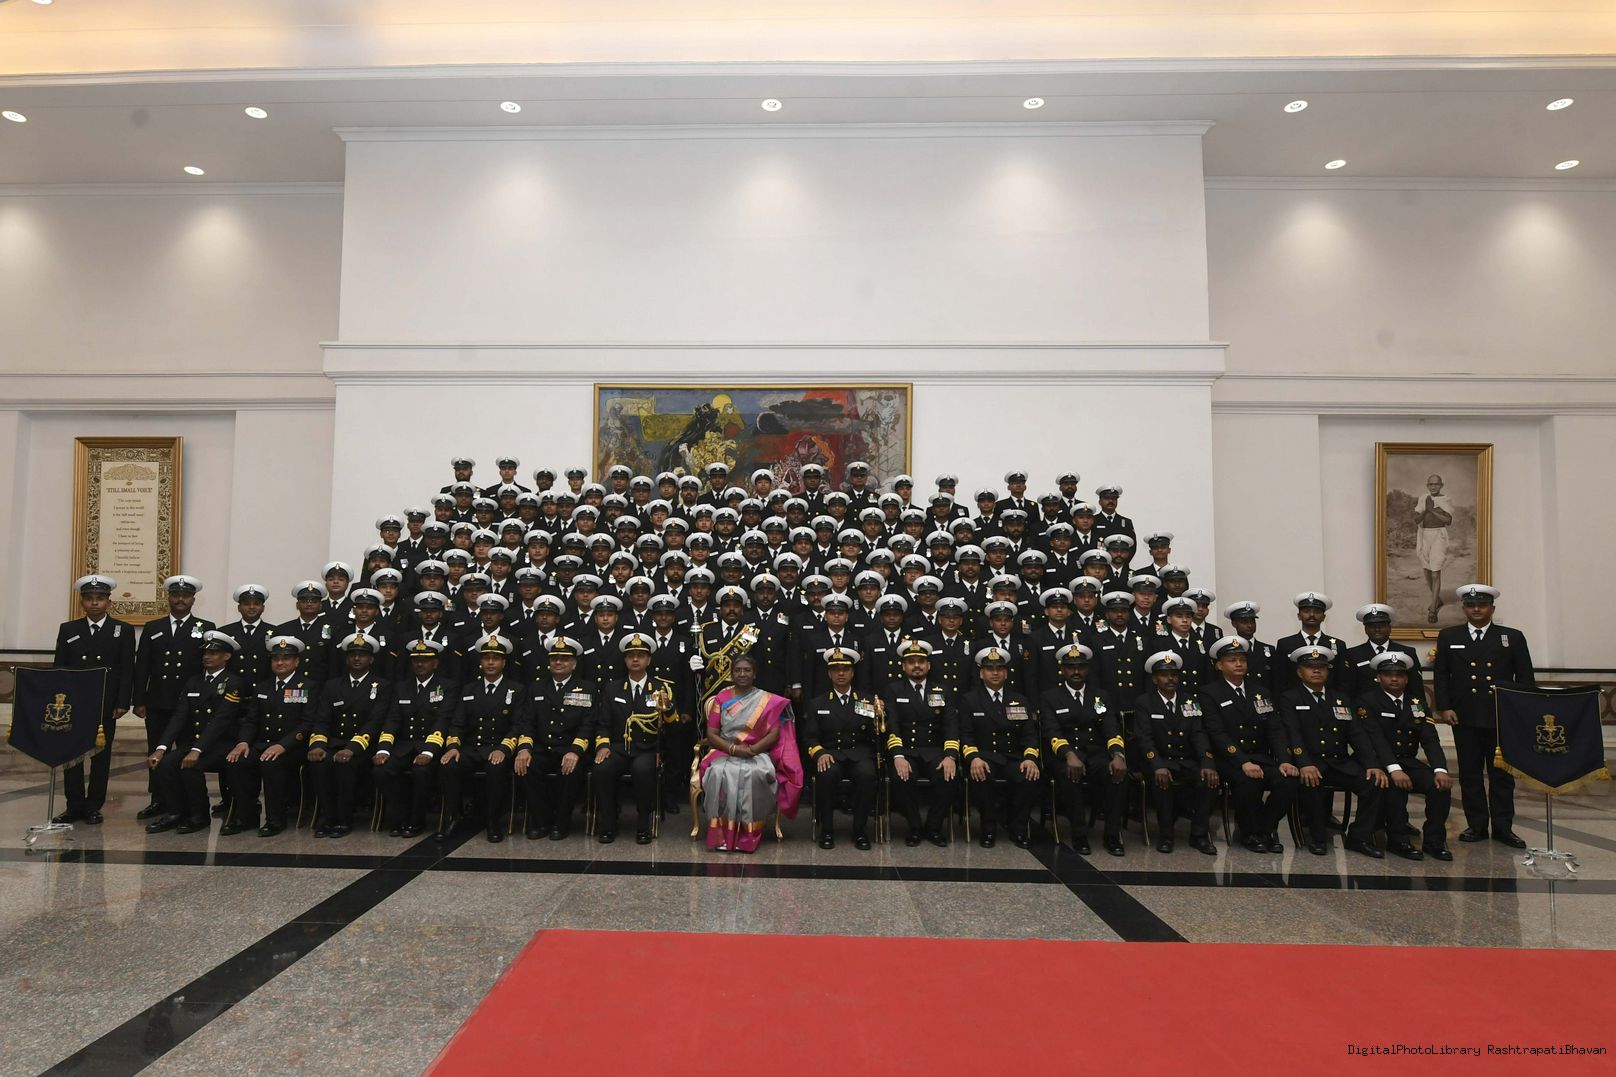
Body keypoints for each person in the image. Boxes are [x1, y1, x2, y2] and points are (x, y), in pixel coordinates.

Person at [1432, 583, 1534, 848]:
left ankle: (1503, 828)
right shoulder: (1449, 636)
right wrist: (1444, 706)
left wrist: (1518, 711)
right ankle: (1476, 825)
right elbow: (1441, 674)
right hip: (1464, 716)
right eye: (1471, 605)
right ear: (1464, 608)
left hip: (1500, 717)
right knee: (1470, 774)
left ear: (1492, 608)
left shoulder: (1511, 637)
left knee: (1502, 776)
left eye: (1482, 605)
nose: (1476, 609)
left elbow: (1525, 678)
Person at [1281, 645, 1387, 858]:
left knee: (1374, 782)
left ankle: (1359, 837)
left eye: (1321, 667)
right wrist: (1303, 763)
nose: (1316, 670)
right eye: (1310, 667)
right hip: (1311, 762)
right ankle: (1317, 838)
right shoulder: (1290, 698)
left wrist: (1372, 764)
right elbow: (1292, 734)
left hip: (1339, 763)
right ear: (1299, 672)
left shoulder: (1341, 699)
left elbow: (1357, 734)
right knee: (1311, 784)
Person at [52, 575, 136, 825]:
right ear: (82, 602)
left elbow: (127, 670)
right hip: (75, 703)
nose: (95, 603)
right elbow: (60, 668)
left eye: (100, 598)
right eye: (89, 598)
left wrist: (123, 702)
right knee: (72, 757)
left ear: (109, 602)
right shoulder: (69, 629)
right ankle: (74, 805)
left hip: (105, 704)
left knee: (101, 757)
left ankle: (93, 806)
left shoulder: (122, 630)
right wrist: (60, 702)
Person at [698, 654, 804, 852]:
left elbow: (774, 733)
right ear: (731, 674)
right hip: (725, 750)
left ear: (754, 674)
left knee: (755, 774)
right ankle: (721, 836)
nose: (742, 674)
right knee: (718, 773)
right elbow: (711, 734)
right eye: (738, 670)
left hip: (757, 752)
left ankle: (747, 836)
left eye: (747, 670)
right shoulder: (722, 698)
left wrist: (752, 750)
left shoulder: (767, 700)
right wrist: (733, 749)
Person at [1199, 637, 1296, 853]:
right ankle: (1250, 833)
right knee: (1247, 782)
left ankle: (1266, 828)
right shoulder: (1209, 693)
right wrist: (1243, 762)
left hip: (1260, 757)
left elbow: (1275, 729)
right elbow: (1217, 733)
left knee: (1288, 781)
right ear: (1219, 665)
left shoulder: (1260, 692)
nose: (1239, 664)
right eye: (1232, 660)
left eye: (1242, 660)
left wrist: (1284, 760)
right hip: (1229, 760)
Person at [145, 631, 246, 835]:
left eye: (214, 653)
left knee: (191, 766)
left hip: (222, 743)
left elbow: (220, 721)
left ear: (226, 656)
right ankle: (176, 812)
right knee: (166, 763)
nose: (207, 657)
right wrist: (161, 748)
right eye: (205, 653)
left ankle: (199, 815)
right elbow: (179, 716)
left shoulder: (234, 683)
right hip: (196, 742)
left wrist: (197, 750)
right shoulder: (193, 681)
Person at [131, 575, 214, 819]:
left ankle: (186, 799)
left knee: (187, 752)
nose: (180, 599)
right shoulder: (153, 627)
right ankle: (158, 800)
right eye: (176, 595)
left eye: (185, 596)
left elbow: (209, 667)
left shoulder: (205, 627)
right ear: (168, 598)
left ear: (193, 599)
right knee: (156, 750)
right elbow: (142, 666)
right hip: (158, 701)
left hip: (191, 704)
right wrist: (139, 700)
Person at [1359, 651, 1453, 861]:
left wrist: (1440, 769)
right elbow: (1376, 739)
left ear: (1407, 678)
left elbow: (1430, 739)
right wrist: (1394, 769)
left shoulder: (1417, 703)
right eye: (1388, 674)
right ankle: (1398, 840)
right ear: (1379, 677)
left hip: (1408, 761)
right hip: (1380, 763)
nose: (1394, 679)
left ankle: (1434, 841)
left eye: (1399, 675)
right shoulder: (1367, 701)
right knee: (1394, 786)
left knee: (1440, 786)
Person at [1038, 643, 1126, 856]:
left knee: (1117, 774)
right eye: (1071, 667)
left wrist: (1118, 755)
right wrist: (1069, 754)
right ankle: (1079, 835)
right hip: (1063, 755)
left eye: (1080, 667)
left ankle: (1112, 836)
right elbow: (1051, 731)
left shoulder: (1100, 697)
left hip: (1095, 754)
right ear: (1062, 670)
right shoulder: (1050, 697)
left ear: (1087, 669)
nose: (1076, 671)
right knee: (1071, 775)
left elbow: (1111, 728)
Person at [228, 634, 315, 837]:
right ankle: (245, 817)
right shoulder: (262, 686)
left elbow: (307, 724)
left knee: (271, 763)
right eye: (276, 658)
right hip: (262, 744)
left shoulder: (307, 686)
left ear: (296, 662)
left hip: (292, 748)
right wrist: (243, 742)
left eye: (286, 658)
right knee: (237, 761)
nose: (280, 663)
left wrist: (283, 745)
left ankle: (275, 819)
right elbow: (251, 720)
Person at [1132, 651, 1218, 855]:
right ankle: (1166, 835)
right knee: (1162, 782)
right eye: (1164, 675)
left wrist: (1207, 762)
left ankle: (1199, 835)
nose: (1170, 679)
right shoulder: (1145, 702)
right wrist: (1157, 765)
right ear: (1155, 679)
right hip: (1158, 761)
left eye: (1173, 674)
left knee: (1208, 780)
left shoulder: (1189, 701)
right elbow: (1144, 738)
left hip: (1185, 761)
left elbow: (1198, 734)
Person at [878, 639, 961, 847]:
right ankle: (915, 827)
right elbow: (893, 725)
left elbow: (951, 726)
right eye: (911, 662)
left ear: (929, 665)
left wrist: (950, 756)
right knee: (900, 777)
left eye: (921, 661)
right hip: (906, 750)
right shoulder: (893, 690)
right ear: (903, 666)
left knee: (949, 776)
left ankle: (933, 827)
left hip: (935, 751)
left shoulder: (942, 690)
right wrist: (898, 756)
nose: (917, 665)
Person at [592, 633, 673, 844]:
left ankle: (643, 824)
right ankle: (609, 823)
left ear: (649, 660)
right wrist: (603, 746)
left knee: (642, 770)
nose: (635, 659)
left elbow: (670, 726)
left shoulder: (659, 688)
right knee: (602, 769)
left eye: (640, 655)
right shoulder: (613, 688)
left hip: (647, 748)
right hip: (618, 748)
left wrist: (668, 708)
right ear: (625, 660)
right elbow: (603, 723)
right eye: (630, 656)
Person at [514, 636, 597, 841]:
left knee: (570, 771)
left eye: (564, 659)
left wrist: (575, 751)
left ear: (574, 664)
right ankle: (541, 820)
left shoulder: (586, 688)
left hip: (570, 748)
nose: (558, 662)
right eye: (554, 659)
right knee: (525, 767)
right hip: (543, 748)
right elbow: (527, 722)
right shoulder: (536, 688)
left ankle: (561, 821)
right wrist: (524, 749)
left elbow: (588, 725)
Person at [959, 643, 1041, 849]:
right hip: (984, 757)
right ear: (981, 674)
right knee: (981, 776)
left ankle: (1018, 828)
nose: (995, 673)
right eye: (989, 669)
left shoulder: (1019, 700)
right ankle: (988, 827)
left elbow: (1029, 735)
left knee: (1029, 776)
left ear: (1006, 673)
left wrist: (1030, 758)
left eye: (999, 669)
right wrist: (973, 758)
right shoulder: (969, 700)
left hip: (1013, 757)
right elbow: (966, 735)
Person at [802, 646, 880, 850]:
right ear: (829, 674)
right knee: (826, 774)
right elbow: (809, 737)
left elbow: (875, 735)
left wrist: (881, 718)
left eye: (845, 669)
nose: (841, 673)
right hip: (831, 754)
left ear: (853, 673)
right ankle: (827, 830)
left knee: (867, 774)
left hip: (859, 753)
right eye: (836, 669)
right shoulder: (817, 703)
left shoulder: (867, 701)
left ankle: (860, 829)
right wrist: (819, 753)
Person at [1413, 474, 1454, 623]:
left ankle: (1433, 610)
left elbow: (1448, 521)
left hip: (1439, 536)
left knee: (1435, 572)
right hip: (1424, 535)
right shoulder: (1423, 498)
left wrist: (1433, 510)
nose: (1433, 487)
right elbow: (1416, 520)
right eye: (1431, 484)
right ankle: (1437, 600)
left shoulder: (1446, 500)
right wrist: (1426, 510)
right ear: (1427, 485)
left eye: (1436, 484)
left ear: (1441, 485)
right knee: (1427, 570)